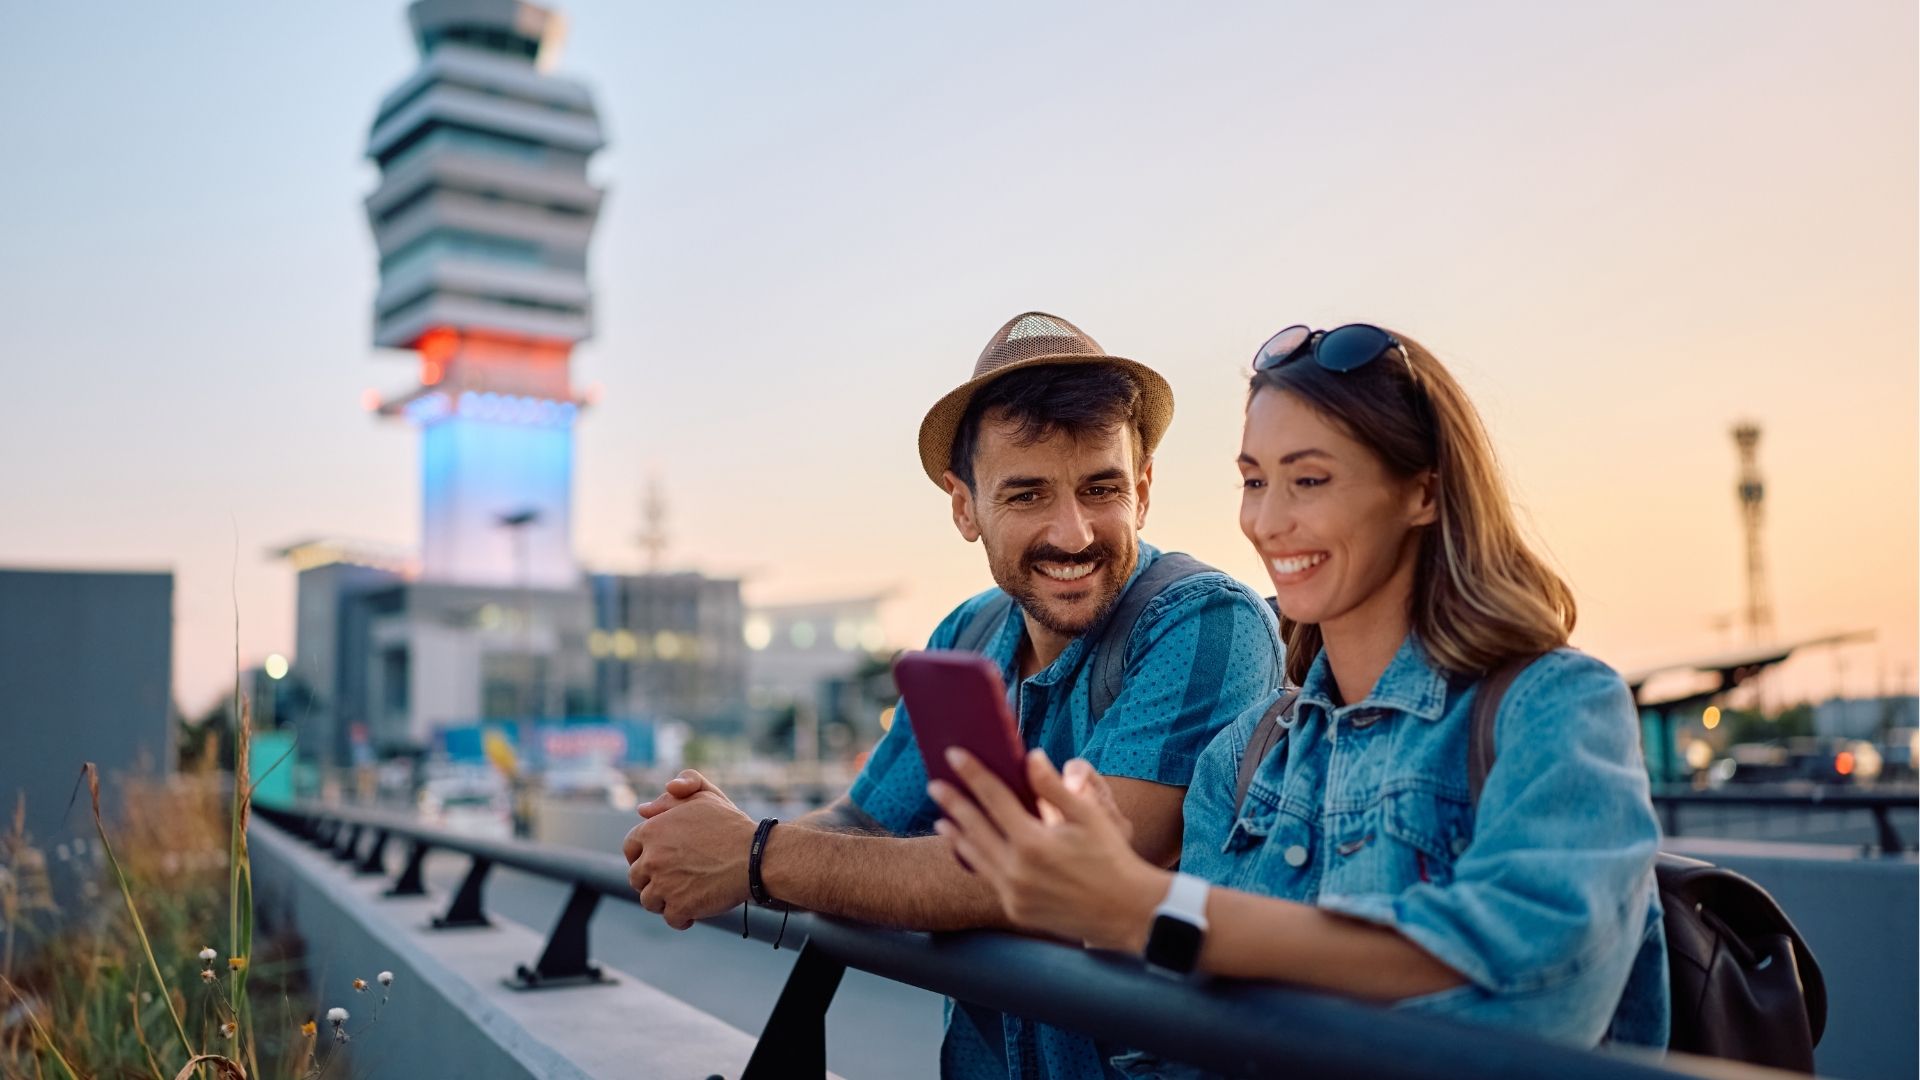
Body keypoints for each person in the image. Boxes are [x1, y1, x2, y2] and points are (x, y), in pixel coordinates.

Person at [932, 323, 1669, 1067]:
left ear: (1423, 491)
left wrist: (1155, 910)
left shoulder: (1557, 707)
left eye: (1309, 481)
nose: (1267, 522)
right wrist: (1111, 926)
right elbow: (1171, 1050)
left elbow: (1537, 986)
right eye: (1255, 482)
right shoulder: (1243, 758)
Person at [622, 312, 1283, 1077]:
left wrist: (756, 857)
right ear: (964, 506)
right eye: (1027, 495)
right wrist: (718, 838)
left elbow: (1061, 879)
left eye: (1100, 488)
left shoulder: (1206, 623)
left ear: (1142, 489)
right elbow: (865, 821)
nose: (1073, 534)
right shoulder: (968, 633)